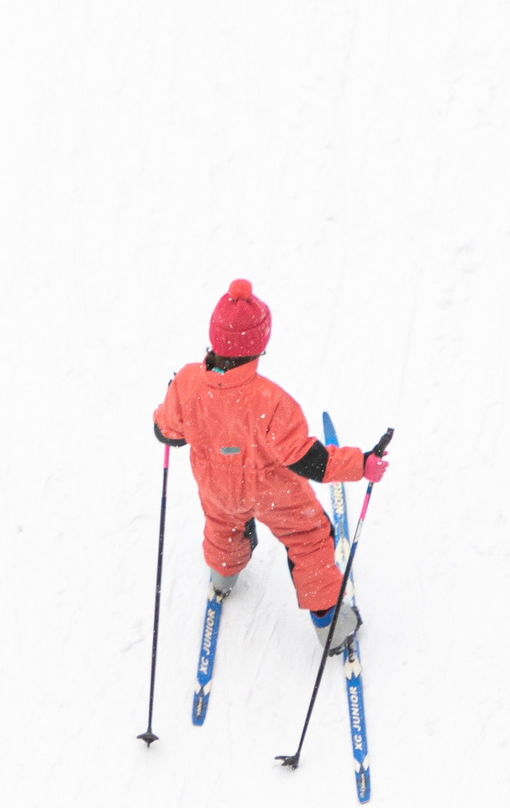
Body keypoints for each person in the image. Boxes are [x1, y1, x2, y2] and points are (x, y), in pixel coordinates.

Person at [152, 279, 390, 651]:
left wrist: (171, 401)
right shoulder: (271, 402)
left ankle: (222, 576)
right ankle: (331, 625)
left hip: (216, 486)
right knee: (309, 538)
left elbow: (166, 430)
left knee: (223, 525)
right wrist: (361, 465)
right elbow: (311, 461)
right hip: (270, 492)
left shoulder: (187, 383)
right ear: (259, 346)